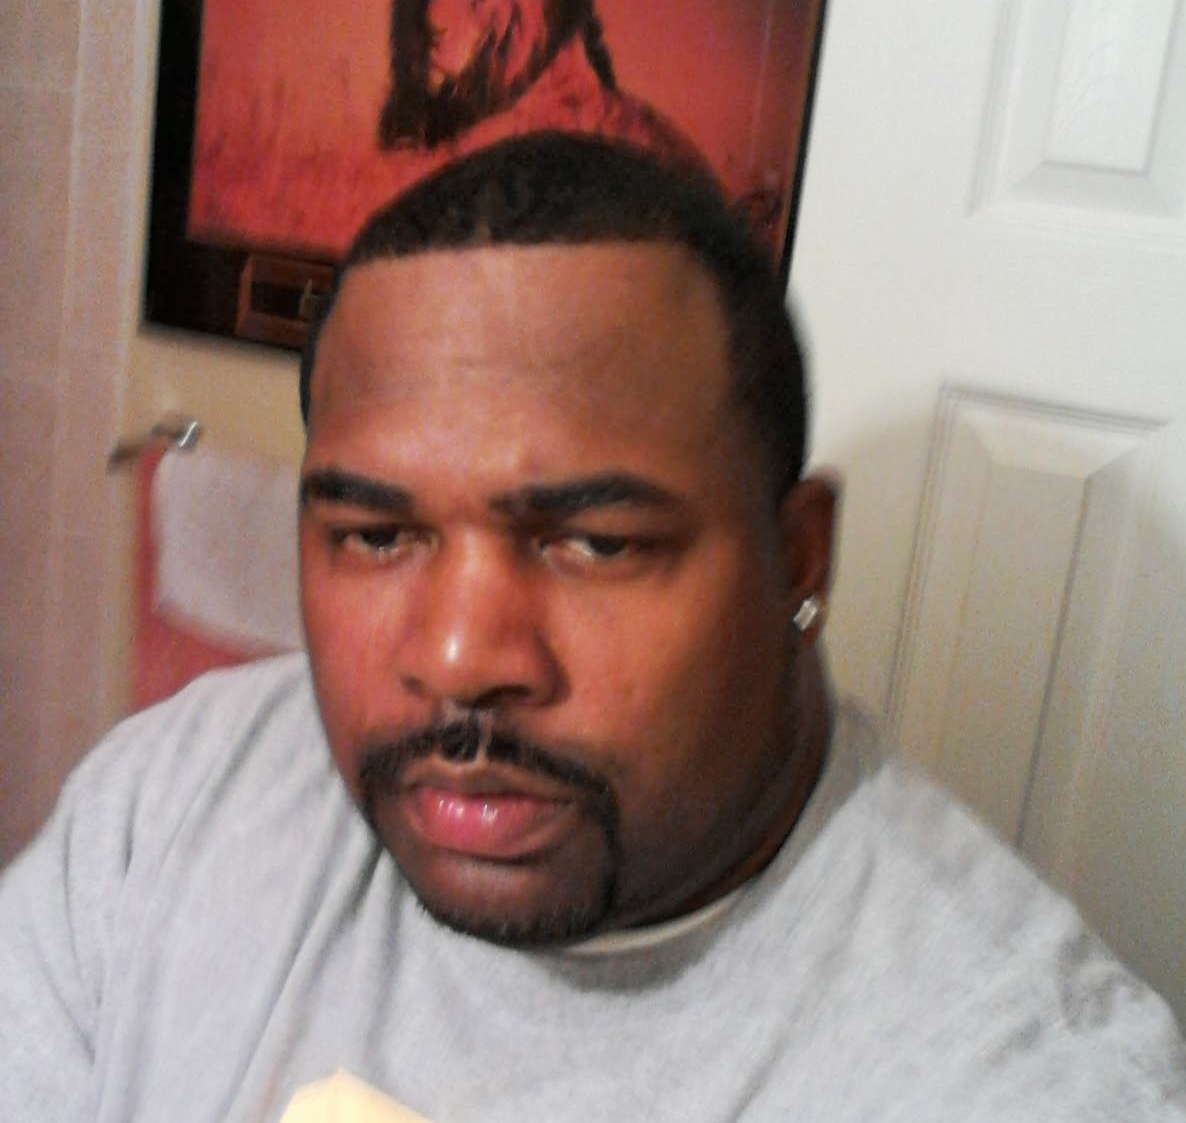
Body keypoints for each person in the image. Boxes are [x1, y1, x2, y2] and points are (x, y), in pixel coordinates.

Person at [1, 133, 1183, 1121]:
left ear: (798, 560)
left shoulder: (1028, 1079)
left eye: (596, 543)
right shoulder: (166, 806)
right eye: (376, 534)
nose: (458, 658)